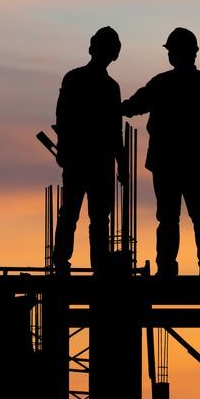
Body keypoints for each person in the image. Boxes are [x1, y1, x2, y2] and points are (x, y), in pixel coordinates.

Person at [123, 28, 200, 278]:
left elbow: (133, 106)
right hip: (192, 161)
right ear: (194, 53)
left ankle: (167, 269)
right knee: (199, 214)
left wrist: (109, 108)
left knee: (169, 218)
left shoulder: (162, 83)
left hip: (168, 161)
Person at [53, 26, 128, 274]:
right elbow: (63, 118)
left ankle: (92, 265)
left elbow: (115, 129)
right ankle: (70, 262)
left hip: (96, 161)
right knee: (76, 213)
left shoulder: (102, 85)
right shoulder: (77, 80)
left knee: (91, 217)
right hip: (83, 159)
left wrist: (121, 163)